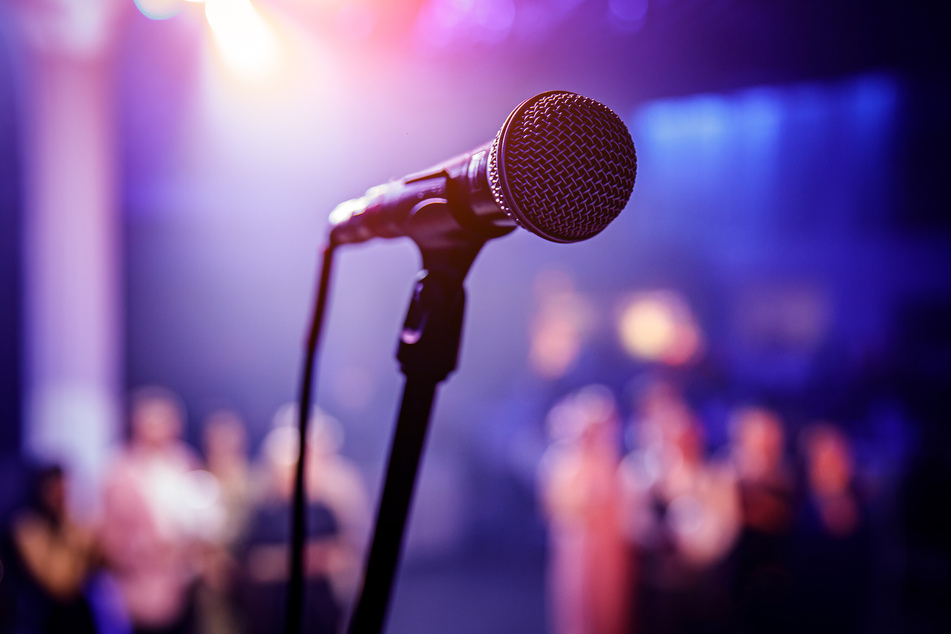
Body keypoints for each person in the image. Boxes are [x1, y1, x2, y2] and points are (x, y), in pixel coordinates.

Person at [99, 387, 204, 634]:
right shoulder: (121, 469)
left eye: (167, 420)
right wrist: (145, 552)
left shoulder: (185, 460)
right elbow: (111, 534)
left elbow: (199, 513)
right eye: (152, 421)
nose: (160, 427)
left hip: (186, 580)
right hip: (143, 585)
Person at [539, 386, 630, 634]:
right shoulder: (563, 461)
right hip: (577, 547)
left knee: (608, 606)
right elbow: (552, 504)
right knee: (577, 606)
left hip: (608, 548)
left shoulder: (610, 460)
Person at [791, 423, 871, 634]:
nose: (836, 466)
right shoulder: (796, 511)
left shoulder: (867, 513)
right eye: (827, 460)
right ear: (812, 465)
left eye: (841, 457)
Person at [4, 465, 99, 634]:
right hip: (41, 617)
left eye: (64, 490)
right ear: (42, 490)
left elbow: (97, 555)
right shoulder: (27, 527)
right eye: (55, 490)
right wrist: (75, 539)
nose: (61, 496)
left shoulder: (72, 520)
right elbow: (60, 583)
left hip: (78, 614)